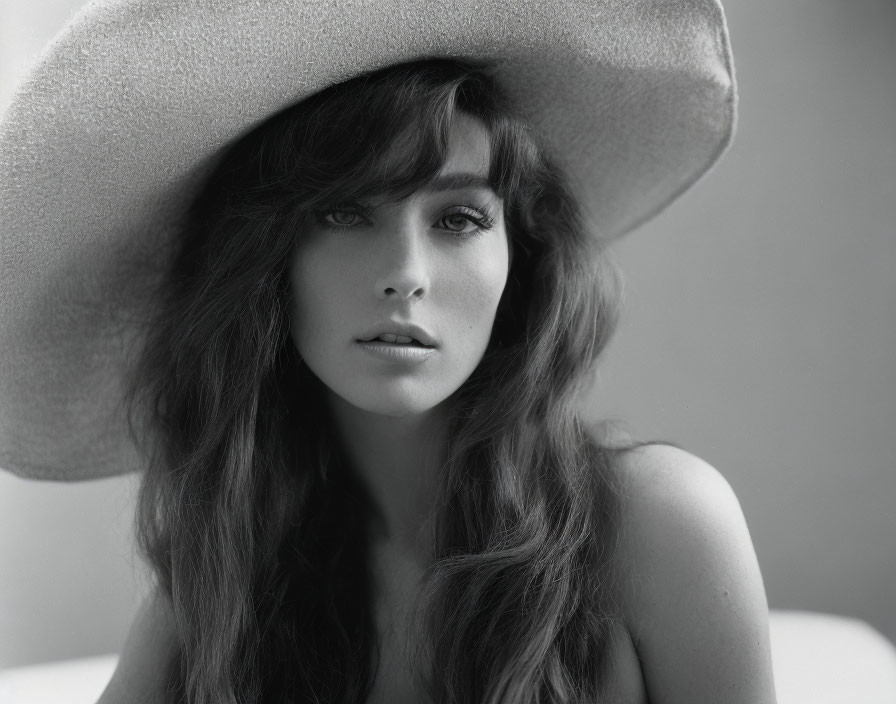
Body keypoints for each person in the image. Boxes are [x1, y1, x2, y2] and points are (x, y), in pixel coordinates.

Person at [0, 1, 776, 703]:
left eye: (460, 219)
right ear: (265, 263)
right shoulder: (226, 569)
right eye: (343, 212)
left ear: (522, 256)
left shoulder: (657, 526)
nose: (405, 275)